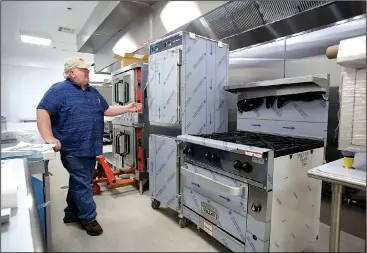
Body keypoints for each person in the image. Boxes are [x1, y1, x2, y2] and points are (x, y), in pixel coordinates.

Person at [36, 57, 142, 236]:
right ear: (72, 73)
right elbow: (43, 110)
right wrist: (48, 137)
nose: (87, 72)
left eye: (88, 70)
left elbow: (106, 110)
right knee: (83, 182)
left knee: (79, 180)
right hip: (73, 148)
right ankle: (88, 218)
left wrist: (128, 108)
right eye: (83, 70)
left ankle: (70, 213)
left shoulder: (93, 92)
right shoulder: (59, 90)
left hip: (91, 146)